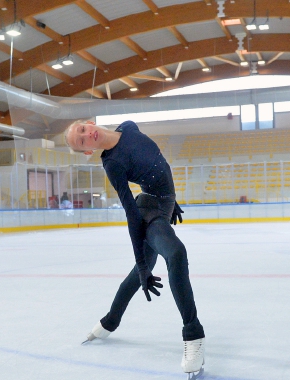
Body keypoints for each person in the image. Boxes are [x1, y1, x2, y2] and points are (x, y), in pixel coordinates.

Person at [65, 120, 205, 377]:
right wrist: (142, 265)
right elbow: (131, 212)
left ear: (89, 123)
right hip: (148, 211)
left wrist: (172, 201)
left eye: (83, 130)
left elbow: (158, 165)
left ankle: (110, 321)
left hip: (164, 203)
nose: (87, 136)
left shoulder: (129, 127)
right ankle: (194, 335)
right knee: (175, 253)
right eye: (82, 141)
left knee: (139, 274)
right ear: (87, 151)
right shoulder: (113, 163)